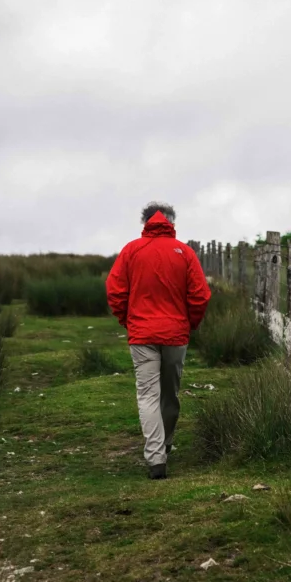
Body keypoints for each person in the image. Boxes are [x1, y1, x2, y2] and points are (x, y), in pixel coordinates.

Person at [106, 203, 211, 479]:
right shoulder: (185, 253)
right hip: (176, 334)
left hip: (142, 335)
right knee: (170, 393)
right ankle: (164, 444)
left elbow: (115, 291)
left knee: (148, 394)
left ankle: (156, 458)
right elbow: (200, 295)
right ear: (172, 222)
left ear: (144, 222)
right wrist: (190, 324)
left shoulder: (131, 250)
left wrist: (128, 321)